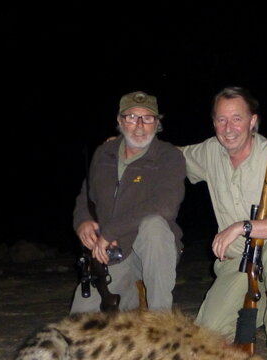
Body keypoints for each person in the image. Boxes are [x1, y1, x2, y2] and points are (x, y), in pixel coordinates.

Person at [182, 87, 267, 358]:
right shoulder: (209, 151)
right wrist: (132, 146)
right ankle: (259, 300)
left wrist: (243, 226)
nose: (229, 128)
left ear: (252, 121)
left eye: (237, 119)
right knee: (205, 337)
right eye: (221, 119)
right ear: (213, 121)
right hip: (235, 263)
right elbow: (170, 158)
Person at [71, 91, 185, 313]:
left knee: (154, 225)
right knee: (78, 322)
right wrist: (82, 221)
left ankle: (160, 319)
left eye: (148, 118)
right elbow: (86, 194)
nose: (139, 126)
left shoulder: (169, 156)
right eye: (132, 117)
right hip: (113, 253)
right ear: (119, 121)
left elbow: (166, 206)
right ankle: (129, 298)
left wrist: (110, 231)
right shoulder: (103, 153)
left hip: (153, 252)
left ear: (157, 123)